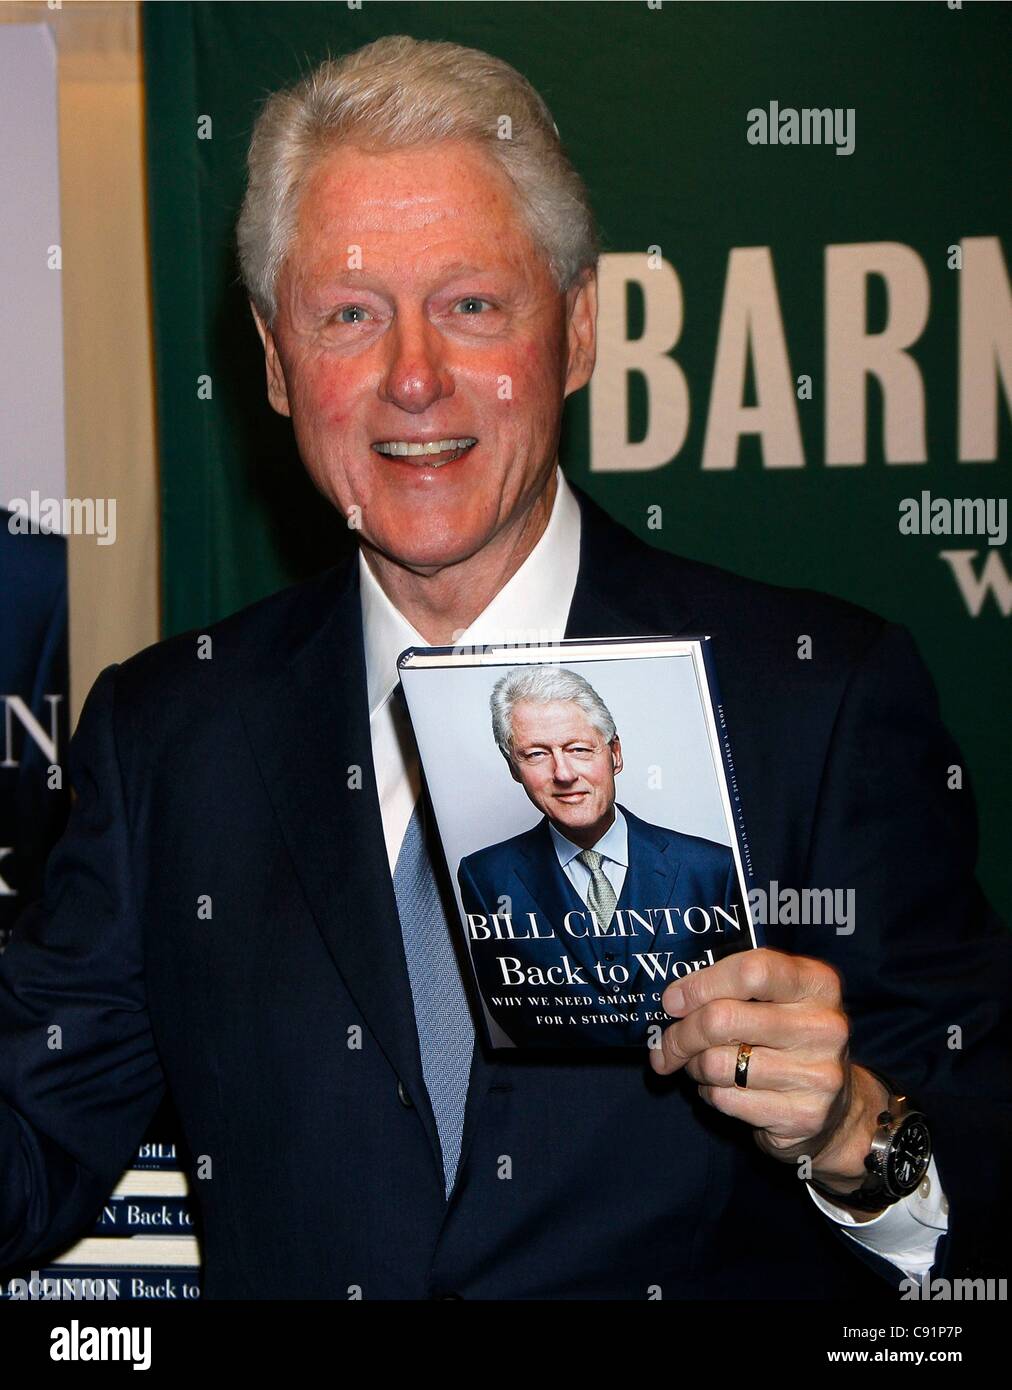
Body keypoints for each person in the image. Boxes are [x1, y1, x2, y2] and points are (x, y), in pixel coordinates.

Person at [0, 35, 1008, 1299]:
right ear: (271, 360)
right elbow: (28, 1143)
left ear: (578, 330)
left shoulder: (819, 699)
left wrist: (854, 1131)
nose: (412, 376)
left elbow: (983, 1173)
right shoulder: (165, 736)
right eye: (348, 316)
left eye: (472, 305)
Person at [457, 666, 745, 1045]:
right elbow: (509, 1006)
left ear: (615, 754)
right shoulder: (484, 877)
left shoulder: (712, 868)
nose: (563, 773)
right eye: (536, 754)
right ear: (514, 768)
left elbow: (736, 1003)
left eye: (578, 749)